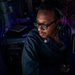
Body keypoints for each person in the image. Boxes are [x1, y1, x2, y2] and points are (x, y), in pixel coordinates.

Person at [22, 1, 72, 75]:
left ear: (57, 24)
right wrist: (59, 68)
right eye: (37, 24)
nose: (39, 29)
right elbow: (29, 73)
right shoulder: (32, 39)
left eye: (44, 25)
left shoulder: (64, 30)